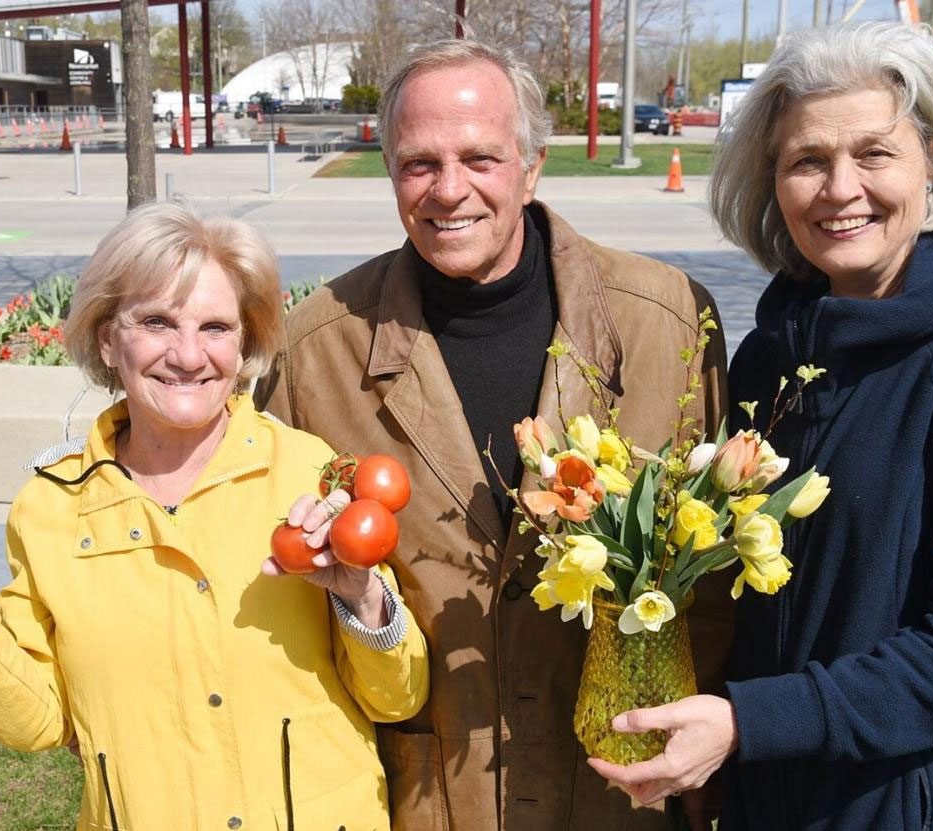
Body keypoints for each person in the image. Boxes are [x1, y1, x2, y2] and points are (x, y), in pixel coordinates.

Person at [589, 22, 933, 830]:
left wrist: (750, 722)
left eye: (875, 154)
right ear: (771, 182)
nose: (840, 188)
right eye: (807, 160)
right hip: (786, 797)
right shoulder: (767, 361)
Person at [255, 38, 734, 830]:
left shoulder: (668, 322)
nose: (449, 190)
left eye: (481, 157)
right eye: (418, 163)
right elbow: (286, 589)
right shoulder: (318, 350)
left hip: (619, 795)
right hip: (416, 798)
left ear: (532, 164)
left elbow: (713, 591)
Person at [0, 202, 429, 831]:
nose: (190, 355)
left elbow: (397, 697)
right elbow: (40, 722)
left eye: (217, 327)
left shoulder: (309, 475)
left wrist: (361, 599)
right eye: (157, 322)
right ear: (108, 338)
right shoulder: (51, 507)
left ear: (245, 341)